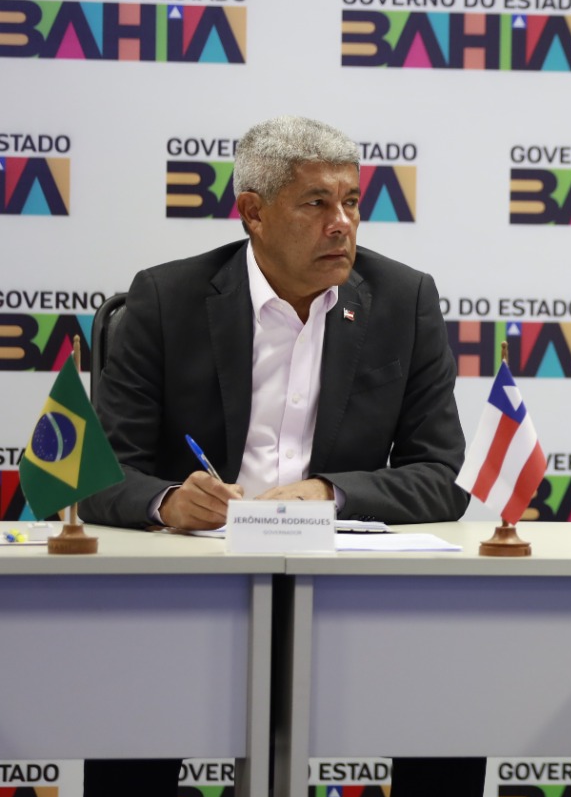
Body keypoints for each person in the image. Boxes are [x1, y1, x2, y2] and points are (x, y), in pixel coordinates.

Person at [81, 116, 468, 528]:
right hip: (204, 552)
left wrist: (329, 494)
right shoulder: (168, 301)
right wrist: (170, 502)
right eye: (316, 203)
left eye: (351, 202)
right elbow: (97, 477)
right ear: (254, 213)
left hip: (338, 554)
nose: (341, 223)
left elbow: (444, 476)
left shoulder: (404, 302)